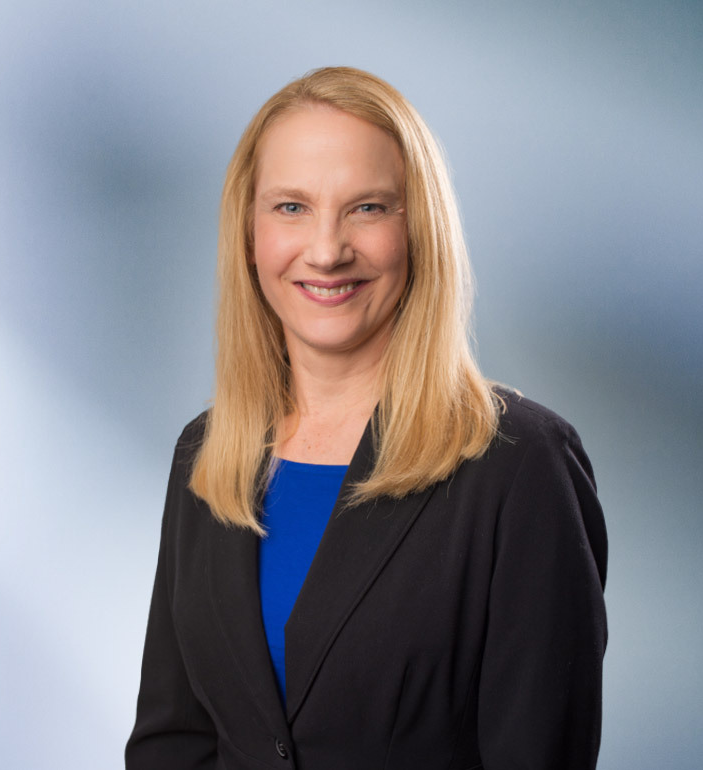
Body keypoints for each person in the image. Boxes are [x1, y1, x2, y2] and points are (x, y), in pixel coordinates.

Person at [125, 66, 608, 769]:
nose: (326, 250)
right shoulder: (206, 453)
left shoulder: (519, 467)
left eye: (368, 208)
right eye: (291, 207)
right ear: (248, 232)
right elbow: (172, 742)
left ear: (421, 230)